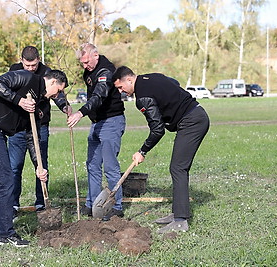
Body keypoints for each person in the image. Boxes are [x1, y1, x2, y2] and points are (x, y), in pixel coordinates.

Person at [0, 69, 68, 246]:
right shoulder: (27, 78)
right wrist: (19, 100)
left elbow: (32, 138)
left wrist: (39, 166)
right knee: (7, 179)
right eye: (59, 90)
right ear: (53, 81)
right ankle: (5, 234)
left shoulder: (38, 103)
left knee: (2, 179)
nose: (58, 95)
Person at [112, 66, 210, 233]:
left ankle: (180, 221)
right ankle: (177, 213)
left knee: (178, 168)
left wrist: (142, 151)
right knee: (177, 168)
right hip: (195, 115)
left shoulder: (142, 97)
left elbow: (158, 129)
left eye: (121, 87)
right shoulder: (151, 77)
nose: (122, 91)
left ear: (129, 79)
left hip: (192, 122)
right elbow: (174, 83)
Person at [8, 46, 71, 218]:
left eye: (34, 65)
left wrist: (64, 106)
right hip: (18, 127)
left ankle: (41, 203)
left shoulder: (47, 72)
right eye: (27, 66)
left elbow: (57, 93)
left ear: (39, 60)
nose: (30, 69)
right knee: (14, 167)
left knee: (41, 166)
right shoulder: (14, 70)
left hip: (40, 125)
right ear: (21, 61)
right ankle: (12, 204)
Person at [67, 43, 125, 221]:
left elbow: (99, 95)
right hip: (97, 123)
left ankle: (116, 206)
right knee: (92, 164)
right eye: (82, 63)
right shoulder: (89, 70)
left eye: (86, 62)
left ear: (96, 55)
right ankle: (92, 204)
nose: (85, 66)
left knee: (110, 167)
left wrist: (81, 112)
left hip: (111, 121)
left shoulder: (106, 71)